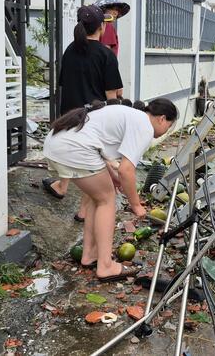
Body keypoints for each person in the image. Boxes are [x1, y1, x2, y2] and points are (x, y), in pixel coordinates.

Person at [43, 99, 178, 280]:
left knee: (95, 197)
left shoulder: (132, 115)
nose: (165, 132)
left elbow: (103, 151)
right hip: (74, 149)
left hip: (57, 143)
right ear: (162, 119)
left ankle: (89, 255)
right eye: (168, 127)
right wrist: (136, 205)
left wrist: (113, 178)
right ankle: (105, 266)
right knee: (107, 200)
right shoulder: (145, 127)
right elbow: (126, 170)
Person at [43, 5, 124, 208]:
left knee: (73, 153)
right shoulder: (106, 55)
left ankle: (62, 186)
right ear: (101, 28)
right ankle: (83, 212)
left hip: (69, 114)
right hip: (93, 117)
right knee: (93, 164)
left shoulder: (70, 50)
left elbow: (64, 83)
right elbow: (112, 96)